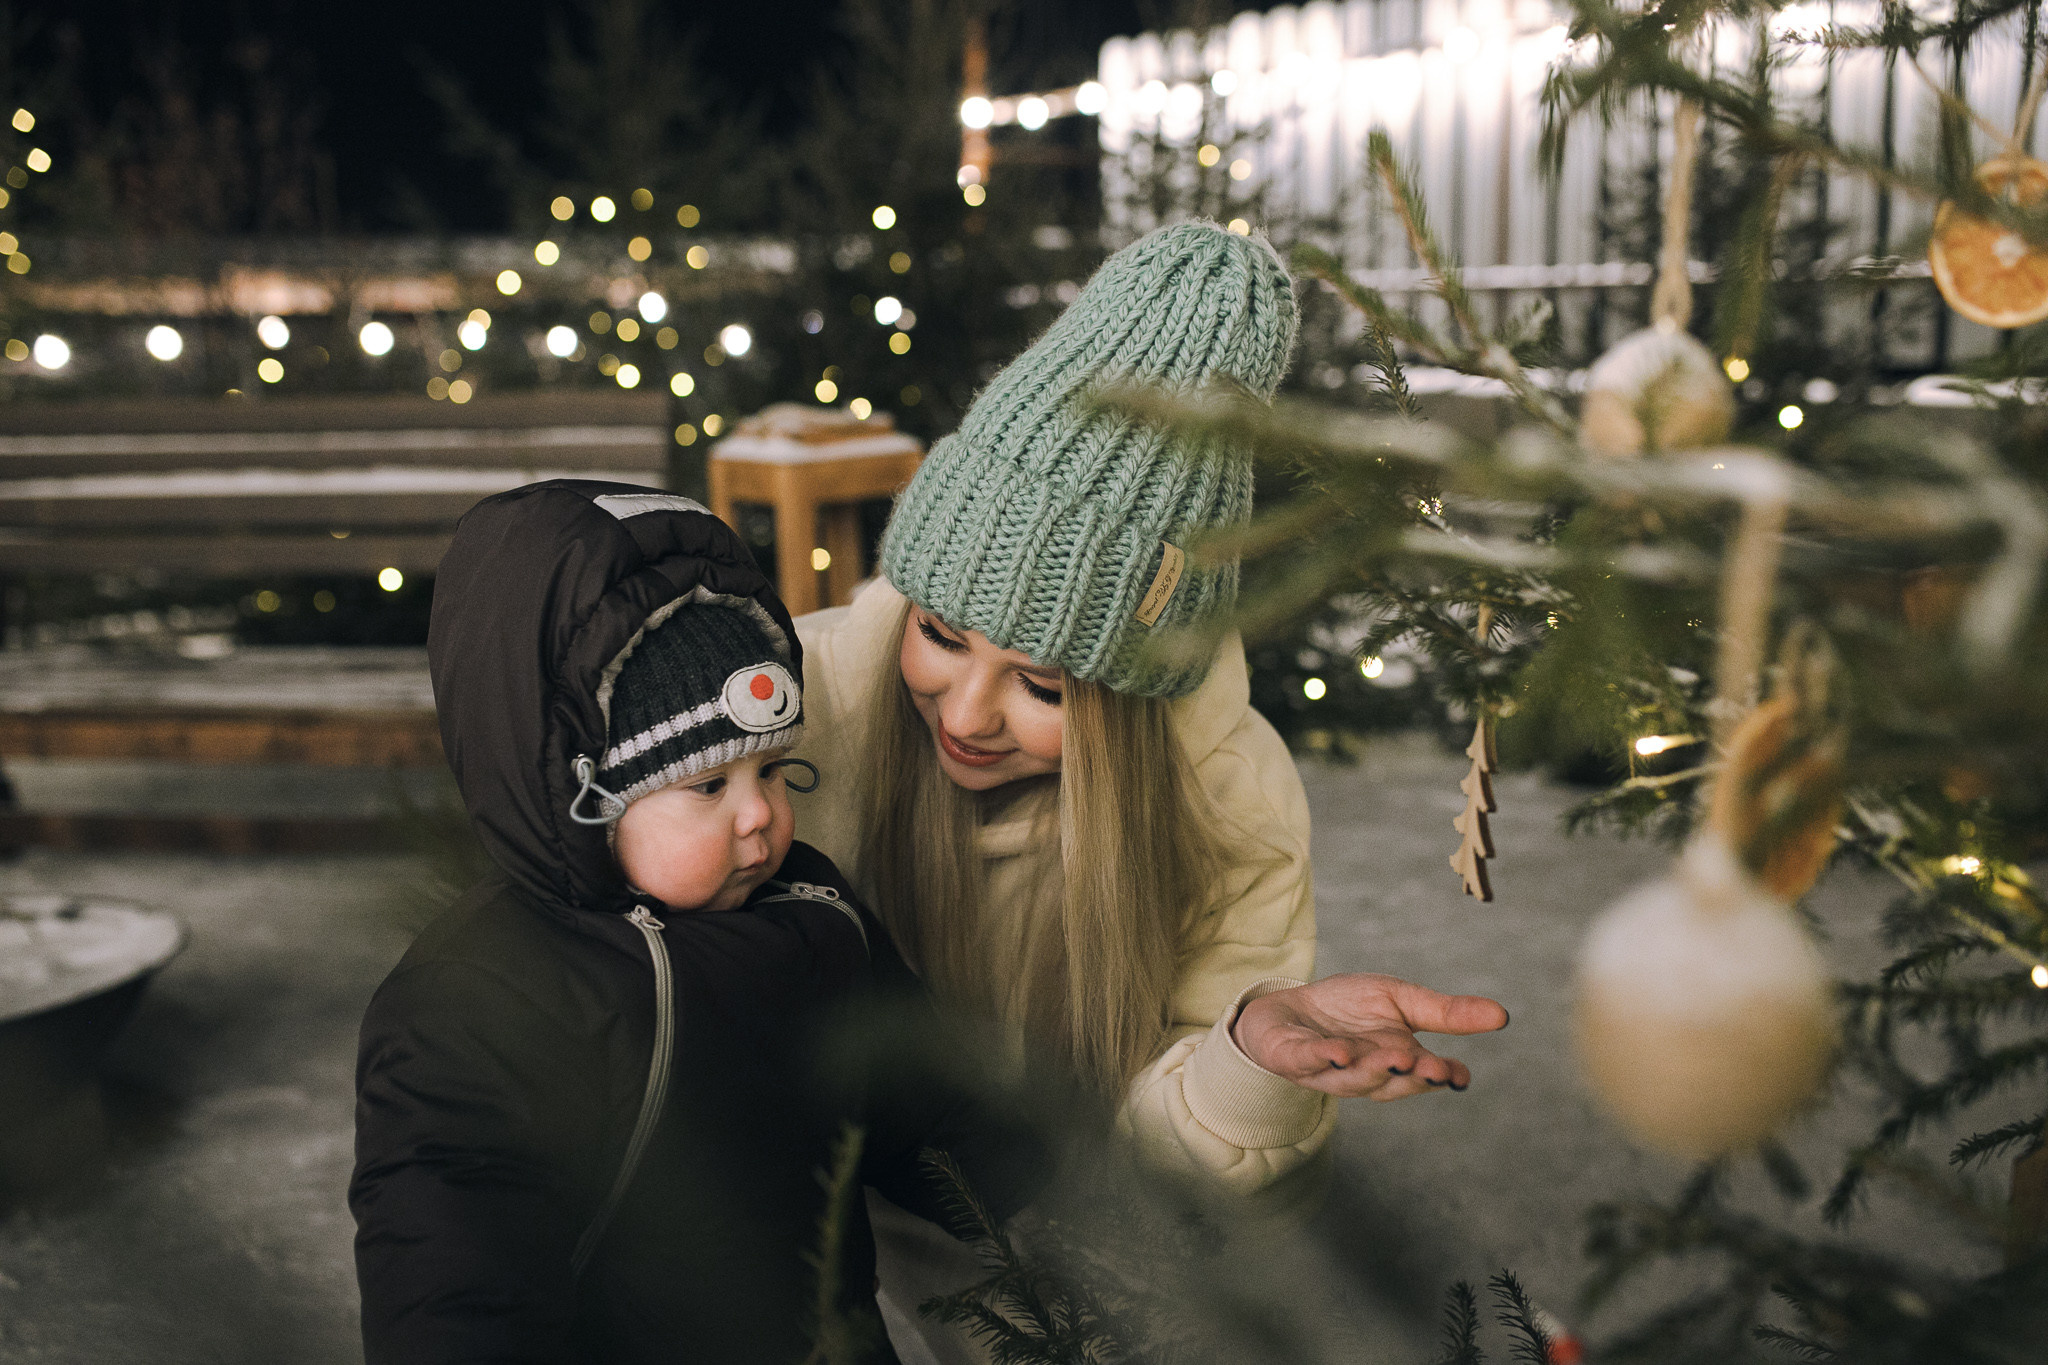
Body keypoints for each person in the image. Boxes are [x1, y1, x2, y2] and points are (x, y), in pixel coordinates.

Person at [789, 223, 1509, 1353]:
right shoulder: (800, 705)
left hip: (1060, 1254)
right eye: (940, 633)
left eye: (1042, 685)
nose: (966, 714)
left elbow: (1169, 1189)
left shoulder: (1227, 795)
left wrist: (1243, 1062)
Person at [350, 481, 1035, 1365]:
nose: (760, 816)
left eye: (773, 770)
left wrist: (1055, 1196)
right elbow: (456, 1277)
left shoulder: (812, 910)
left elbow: (924, 1108)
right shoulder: (482, 998)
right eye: (709, 785)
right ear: (583, 803)